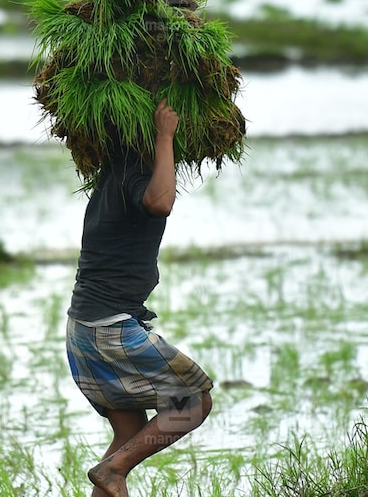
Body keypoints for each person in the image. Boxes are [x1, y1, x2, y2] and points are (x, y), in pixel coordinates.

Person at [66, 99, 214, 497]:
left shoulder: (112, 175)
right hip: (109, 329)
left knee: (127, 435)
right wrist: (165, 135)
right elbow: (160, 202)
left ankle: (113, 471)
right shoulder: (134, 170)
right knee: (194, 403)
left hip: (83, 329)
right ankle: (113, 470)